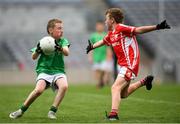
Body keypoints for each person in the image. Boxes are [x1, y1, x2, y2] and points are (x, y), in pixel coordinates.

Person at [86, 8, 170, 120]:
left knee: (115, 87)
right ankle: (144, 82)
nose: (105, 21)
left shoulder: (121, 27)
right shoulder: (111, 33)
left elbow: (138, 30)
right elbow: (103, 41)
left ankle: (113, 114)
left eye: (106, 19)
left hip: (130, 64)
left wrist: (157, 27)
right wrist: (92, 47)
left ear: (112, 20)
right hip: (123, 65)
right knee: (122, 94)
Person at [9, 19, 70, 119]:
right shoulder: (43, 42)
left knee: (64, 86)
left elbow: (67, 52)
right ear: (51, 30)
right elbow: (34, 57)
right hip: (44, 70)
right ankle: (21, 110)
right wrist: (37, 50)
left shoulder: (63, 41)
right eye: (59, 28)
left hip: (58, 70)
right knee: (38, 90)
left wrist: (60, 48)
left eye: (62, 28)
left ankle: (52, 111)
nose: (62, 30)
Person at [88, 20, 113, 88]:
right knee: (97, 70)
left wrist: (109, 55)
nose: (99, 27)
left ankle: (102, 81)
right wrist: (90, 56)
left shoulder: (106, 35)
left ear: (103, 27)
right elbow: (91, 47)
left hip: (104, 56)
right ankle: (100, 82)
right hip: (96, 56)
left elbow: (108, 47)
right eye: (98, 26)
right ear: (96, 27)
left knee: (104, 70)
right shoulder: (93, 36)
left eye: (101, 26)